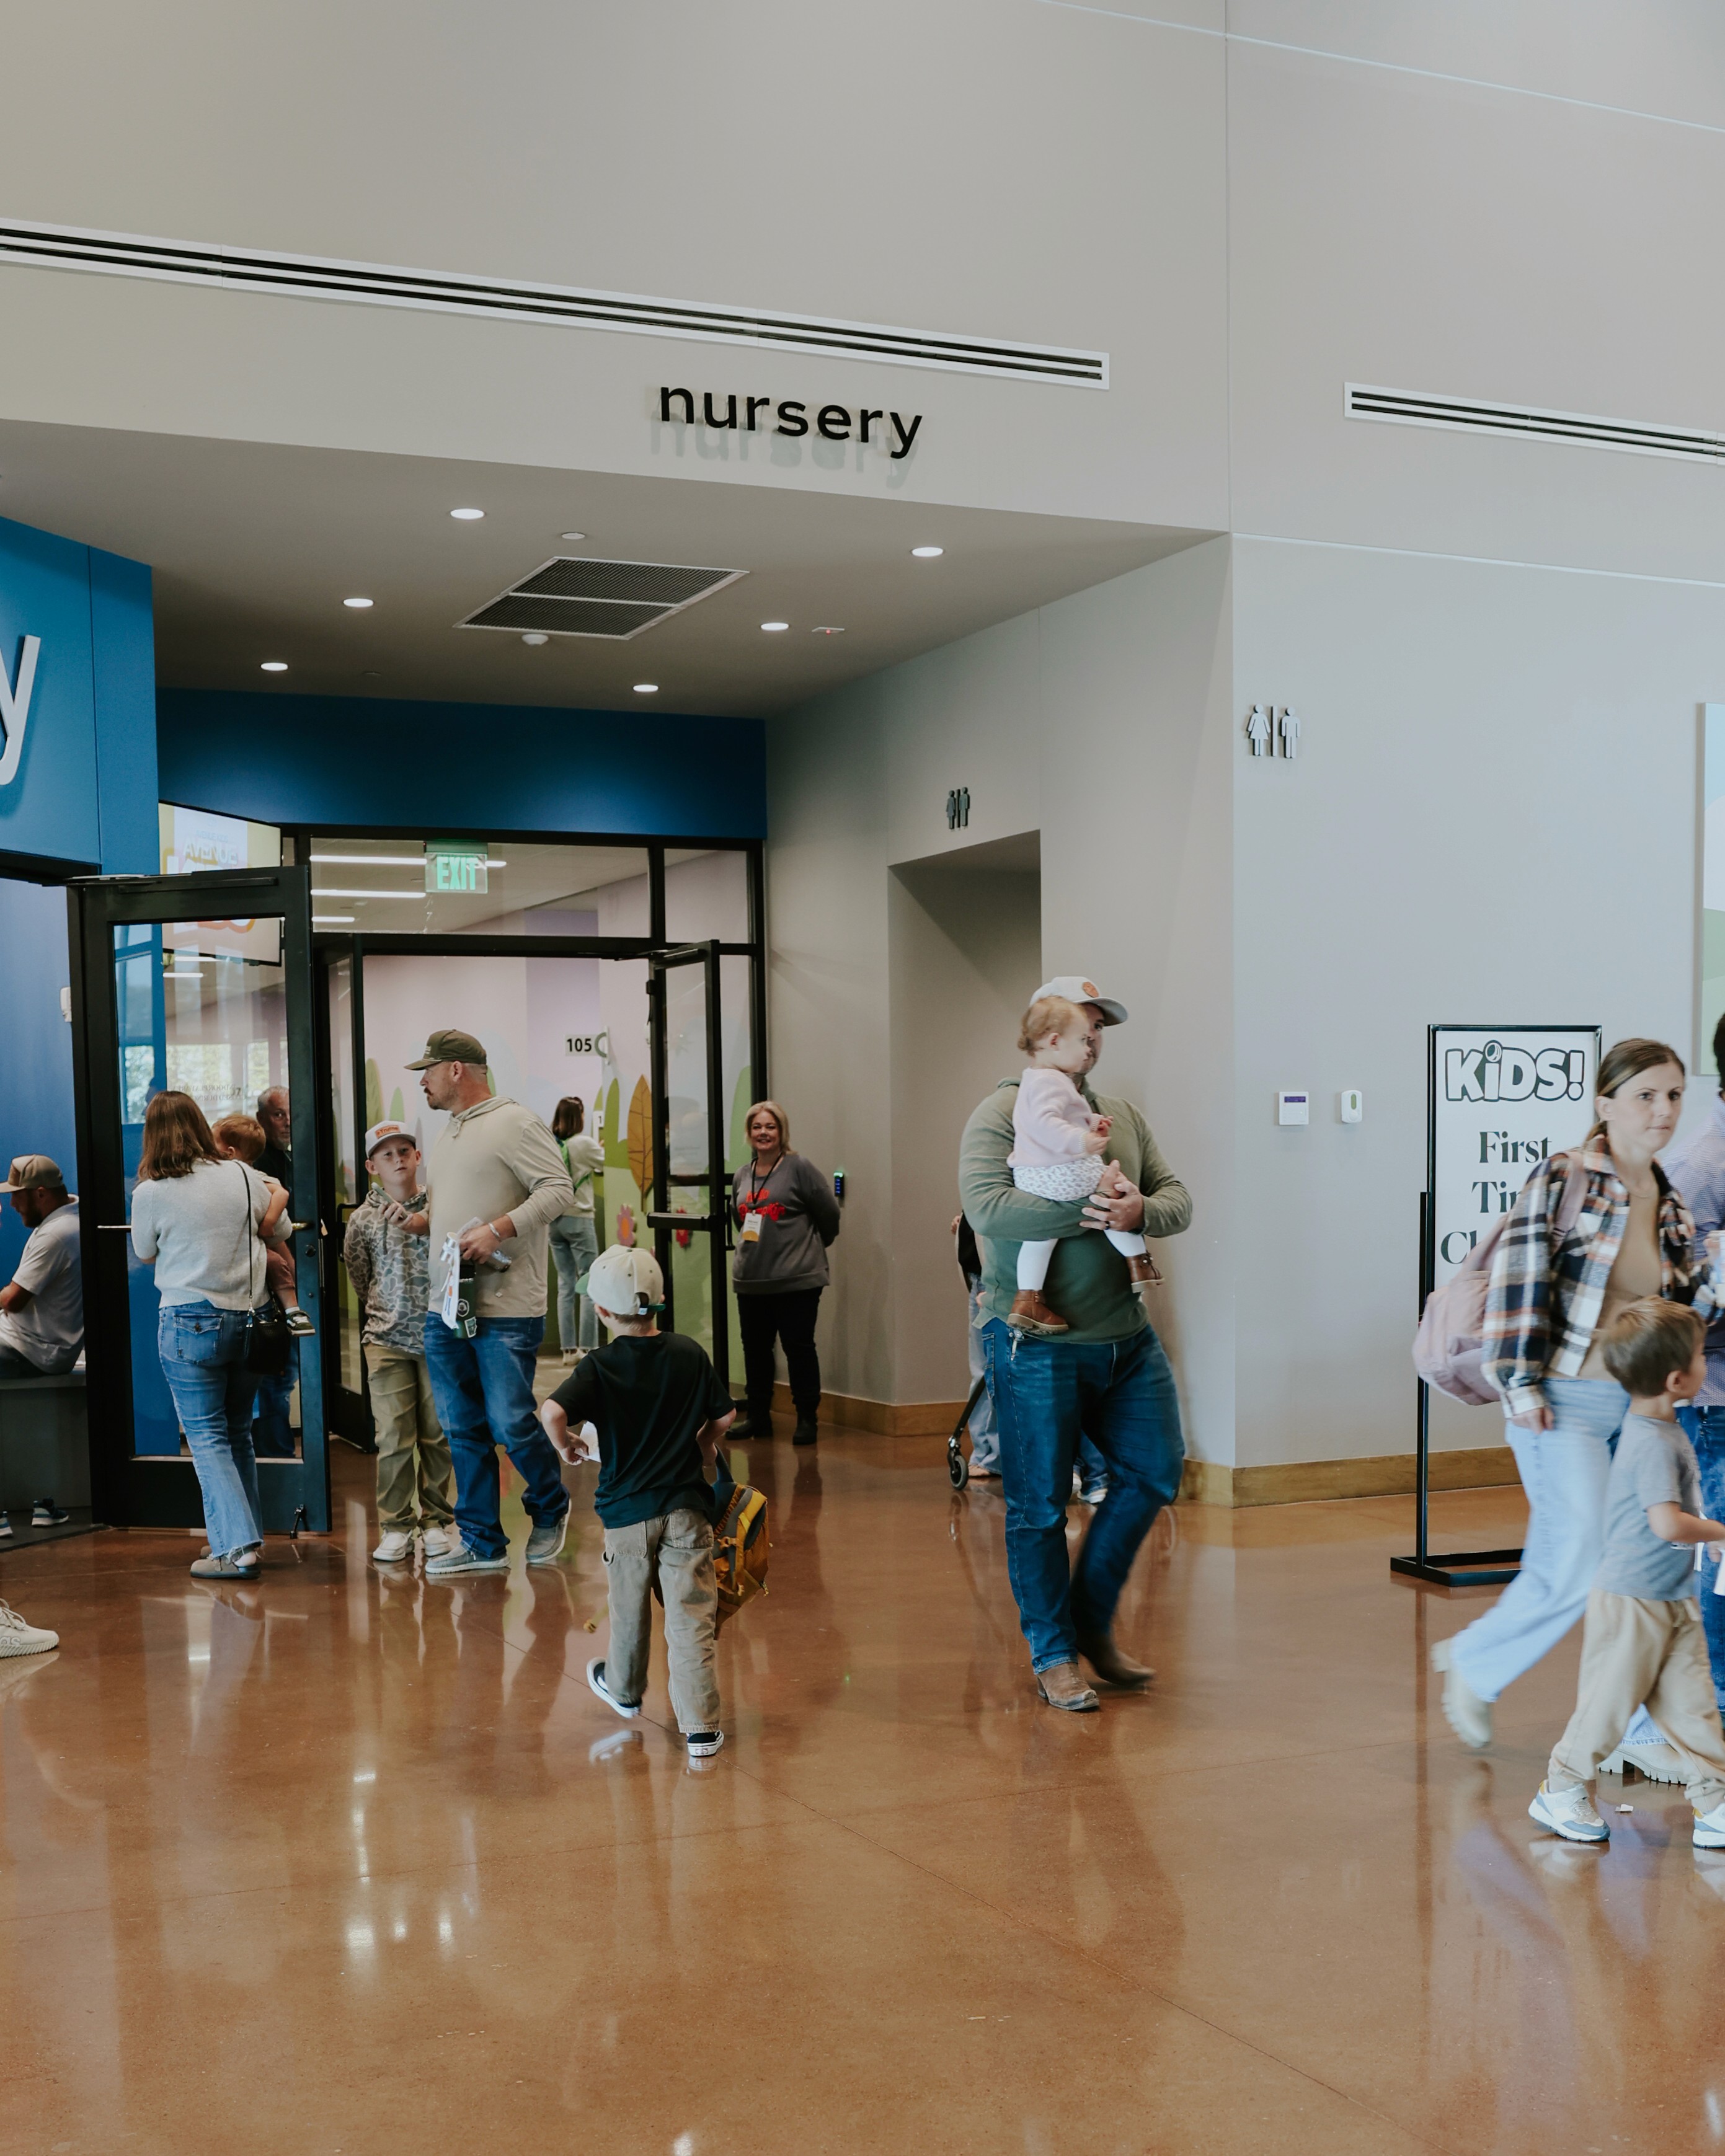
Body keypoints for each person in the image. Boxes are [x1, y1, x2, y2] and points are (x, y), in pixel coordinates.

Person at [1433, 1038, 1715, 1769]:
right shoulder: (1565, 1176)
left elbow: (1682, 1310)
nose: (1662, 1110)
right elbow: (1521, 1283)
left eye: (1674, 1095)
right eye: (1645, 1095)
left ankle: (1640, 1730)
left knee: (1641, 1563)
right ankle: (1476, 1661)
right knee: (1579, 1554)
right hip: (1559, 1399)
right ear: (1605, 1103)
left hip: (1639, 1409)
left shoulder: (1670, 1197)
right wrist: (1519, 1385)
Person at [957, 973, 1192, 1712]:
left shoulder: (1118, 1114)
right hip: (1035, 1343)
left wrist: (1142, 1206)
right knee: (1036, 1505)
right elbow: (988, 1210)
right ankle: (1054, 1653)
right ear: (1047, 1030)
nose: (1095, 1034)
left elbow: (1177, 1198)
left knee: (1154, 1472)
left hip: (1126, 1339)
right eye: (1084, 1021)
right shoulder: (999, 1112)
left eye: (1102, 1025)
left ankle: (1089, 1621)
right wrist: (1094, 1207)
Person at [1527, 1298, 1725, 1850]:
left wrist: (1700, 1542)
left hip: (1670, 1593)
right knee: (1609, 1704)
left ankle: (1716, 1802)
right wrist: (1718, 1534)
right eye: (1700, 1357)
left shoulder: (1662, 1427)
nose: (1707, 1364)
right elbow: (1666, 1523)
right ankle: (1562, 1786)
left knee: (1694, 1704)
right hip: (1632, 1600)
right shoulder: (1650, 1442)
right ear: (1676, 1378)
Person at [539, 1243, 734, 1760]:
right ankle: (702, 1728)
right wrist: (705, 1445)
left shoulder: (600, 1367)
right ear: (661, 1300)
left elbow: (552, 1412)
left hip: (627, 1515)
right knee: (692, 1615)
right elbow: (726, 1414)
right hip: (687, 1508)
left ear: (602, 1312)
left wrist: (568, 1445)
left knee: (628, 1611)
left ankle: (625, 1693)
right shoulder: (690, 1352)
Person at [408, 1029, 577, 1579]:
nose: (423, 1082)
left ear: (457, 1070)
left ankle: (551, 1505)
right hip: (447, 1306)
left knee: (509, 1421)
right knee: (462, 1428)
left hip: (505, 1308)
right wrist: (422, 1224)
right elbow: (455, 1207)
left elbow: (558, 1190)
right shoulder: (451, 1131)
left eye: (428, 1071)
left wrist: (499, 1230)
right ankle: (482, 1542)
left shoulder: (514, 1122)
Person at [130, 1090, 290, 1581]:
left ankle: (236, 1548)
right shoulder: (242, 1174)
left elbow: (145, 1251)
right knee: (237, 1433)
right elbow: (278, 1226)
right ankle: (238, 1540)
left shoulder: (151, 1192)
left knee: (206, 1438)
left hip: (188, 1322)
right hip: (249, 1319)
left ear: (151, 1136)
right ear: (202, 1125)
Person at [1006, 996, 1159, 1334]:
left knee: (1040, 1241)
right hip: (1057, 1173)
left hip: (1034, 1174)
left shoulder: (1036, 1079)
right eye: (1082, 1040)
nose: (1088, 1048)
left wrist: (1090, 1124)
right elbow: (1047, 1123)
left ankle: (1028, 1298)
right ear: (1054, 1040)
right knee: (1113, 1189)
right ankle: (1139, 1261)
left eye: (1096, 1034)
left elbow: (1060, 1117)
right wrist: (1082, 1142)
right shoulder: (1050, 1080)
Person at [344, 1120, 459, 1565]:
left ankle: (435, 1520)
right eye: (387, 1154)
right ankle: (395, 1526)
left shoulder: (442, 1207)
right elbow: (360, 1275)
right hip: (386, 1340)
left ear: (418, 1157)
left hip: (438, 1338)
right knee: (393, 1435)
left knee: (437, 1435)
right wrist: (384, 1311)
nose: (398, 1159)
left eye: (404, 1151)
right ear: (372, 1166)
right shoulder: (363, 1220)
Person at [1656, 1007, 1725, 1718]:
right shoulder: (1697, 1170)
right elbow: (1674, 1310)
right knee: (1724, 1550)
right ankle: (1718, 1700)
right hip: (1715, 1400)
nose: (1662, 1111)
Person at [730, 1100, 840, 1446]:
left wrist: (804, 1249)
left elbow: (829, 1216)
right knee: (756, 1351)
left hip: (797, 1280)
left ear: (782, 1132)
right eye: (758, 1127)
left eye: (771, 1127)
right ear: (749, 1133)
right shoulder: (742, 1174)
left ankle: (807, 1418)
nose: (764, 1133)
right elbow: (741, 1220)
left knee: (799, 1348)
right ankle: (759, 1418)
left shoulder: (799, 1168)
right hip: (752, 1281)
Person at [211, 1116, 314, 1336]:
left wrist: (267, 1223)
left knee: (276, 1263)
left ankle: (294, 1311)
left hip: (257, 1244)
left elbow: (281, 1193)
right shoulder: (219, 1179)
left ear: (229, 1153)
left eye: (213, 1144)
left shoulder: (255, 1177)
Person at [548, 1095, 604, 1364]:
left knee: (565, 1285)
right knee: (588, 1283)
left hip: (555, 1221)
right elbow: (605, 1163)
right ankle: (588, 1348)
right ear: (578, 1117)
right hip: (580, 1218)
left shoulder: (550, 1144)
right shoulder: (583, 1143)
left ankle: (567, 1351)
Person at [952, 1213, 999, 1478]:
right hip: (977, 1276)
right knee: (982, 1370)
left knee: (995, 1371)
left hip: (996, 1280)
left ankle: (993, 1455)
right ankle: (986, 1454)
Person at [255, 1087, 293, 1185]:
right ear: (261, 1118)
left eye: (292, 1113)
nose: (288, 1123)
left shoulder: (293, 1156)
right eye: (279, 1115)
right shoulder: (256, 1159)